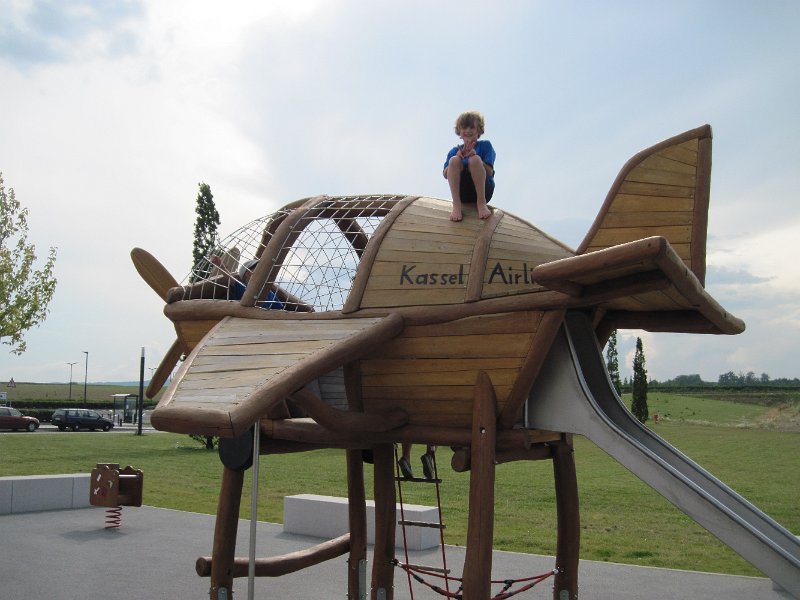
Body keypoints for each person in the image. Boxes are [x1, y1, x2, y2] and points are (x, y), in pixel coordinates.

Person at [443, 111, 496, 222]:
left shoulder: (485, 146)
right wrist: (459, 158)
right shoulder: (454, 151)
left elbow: (489, 171)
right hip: (463, 192)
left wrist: (475, 156)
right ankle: (456, 204)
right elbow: (445, 174)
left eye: (472, 127)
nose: (468, 130)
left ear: (479, 130)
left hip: (483, 190)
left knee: (475, 160)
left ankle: (481, 203)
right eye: (464, 127)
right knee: (454, 160)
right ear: (459, 131)